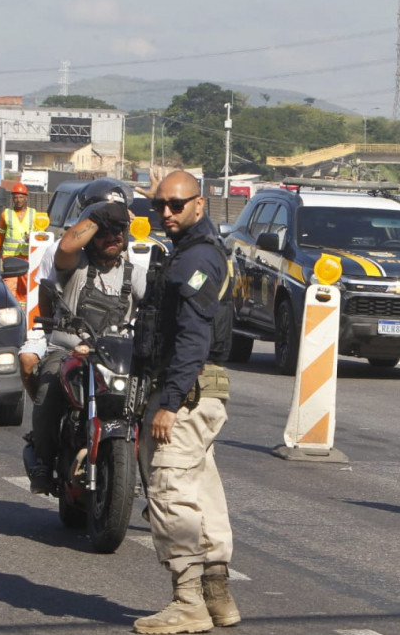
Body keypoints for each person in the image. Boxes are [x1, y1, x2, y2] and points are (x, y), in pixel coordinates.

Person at [134, 171, 238, 635]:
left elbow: (193, 338)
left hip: (189, 393)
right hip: (203, 392)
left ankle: (188, 602)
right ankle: (218, 598)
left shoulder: (196, 259)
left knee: (170, 490)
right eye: (161, 204)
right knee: (201, 490)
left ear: (201, 203)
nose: (167, 213)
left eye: (177, 204)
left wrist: (169, 402)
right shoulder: (201, 251)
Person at [26, 179, 144, 495]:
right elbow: (66, 247)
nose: (112, 237)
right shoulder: (74, 264)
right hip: (69, 351)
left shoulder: (134, 273)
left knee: (148, 401)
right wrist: (102, 215)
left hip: (115, 358)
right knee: (48, 386)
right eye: (105, 231)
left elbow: (159, 304)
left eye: (118, 231)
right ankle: (42, 459)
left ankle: (150, 479)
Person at [0, 183, 36, 307]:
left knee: (24, 287)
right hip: (10, 257)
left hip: (27, 256)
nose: (18, 200)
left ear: (26, 198)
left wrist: (32, 237)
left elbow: (40, 234)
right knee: (9, 285)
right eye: (16, 197)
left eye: (21, 197)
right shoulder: (6, 214)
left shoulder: (34, 214)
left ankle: (22, 309)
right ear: (12, 198)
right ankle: (10, 307)